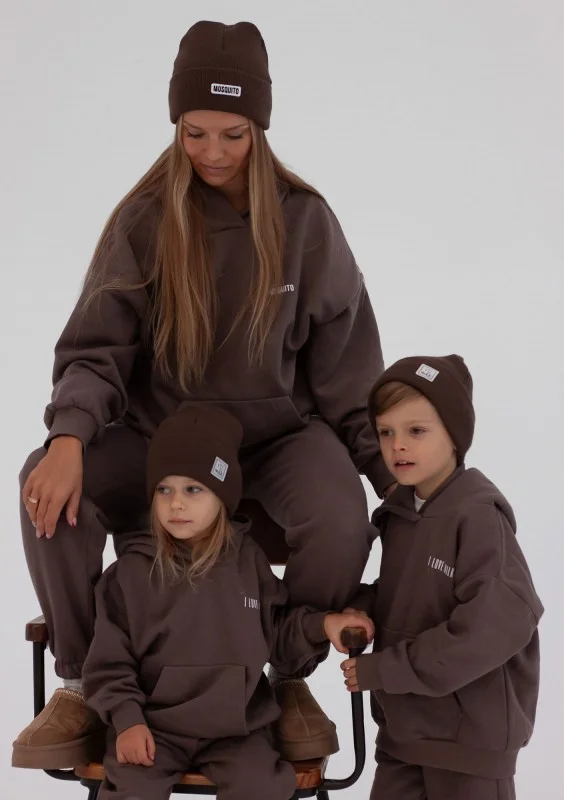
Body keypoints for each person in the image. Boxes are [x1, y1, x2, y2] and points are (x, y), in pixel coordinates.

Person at [13, 20, 392, 769]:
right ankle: (86, 683)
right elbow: (95, 349)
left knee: (339, 513)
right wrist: (67, 438)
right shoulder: (145, 220)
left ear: (261, 128)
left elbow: (351, 379)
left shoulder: (306, 222)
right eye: (195, 133)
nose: (213, 152)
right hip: (162, 441)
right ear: (175, 124)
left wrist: (402, 490)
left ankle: (287, 678)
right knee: (47, 488)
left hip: (273, 440)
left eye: (233, 134)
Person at [81, 405, 374, 800]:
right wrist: (127, 720)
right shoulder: (130, 574)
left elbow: (276, 631)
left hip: (237, 730)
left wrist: (323, 624)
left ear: (222, 496)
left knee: (264, 786)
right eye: (164, 490)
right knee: (131, 789)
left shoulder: (247, 562)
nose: (176, 503)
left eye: (193, 489)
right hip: (153, 729)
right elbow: (109, 662)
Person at [341, 355, 543, 800]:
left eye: (416, 431)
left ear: (454, 435)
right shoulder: (400, 514)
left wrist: (385, 669)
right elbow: (411, 594)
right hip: (403, 738)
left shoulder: (478, 517)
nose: (397, 446)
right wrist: (362, 608)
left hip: (468, 747)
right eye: (385, 432)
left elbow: (495, 626)